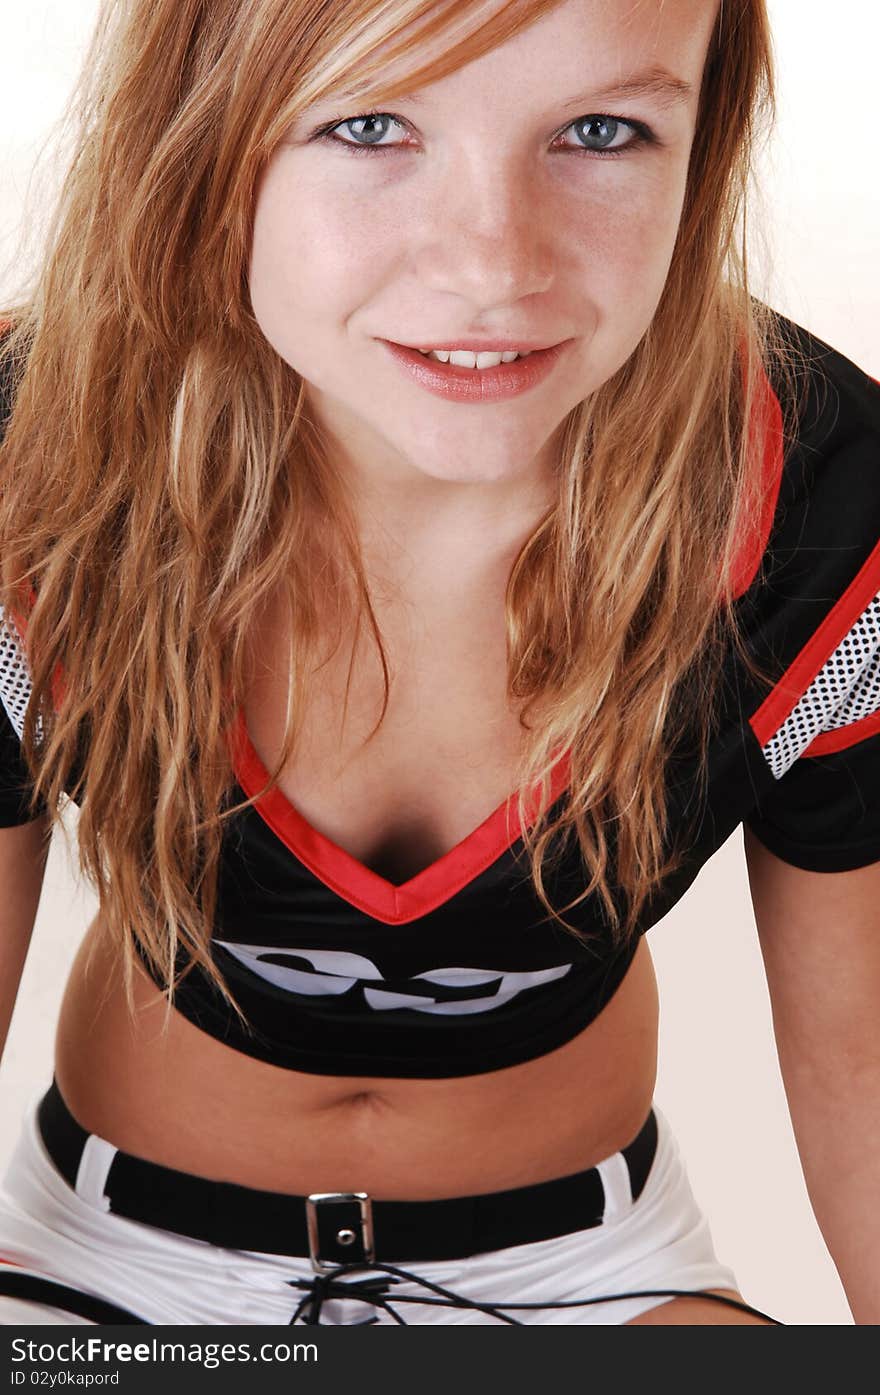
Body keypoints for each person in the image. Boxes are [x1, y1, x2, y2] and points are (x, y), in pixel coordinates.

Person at [0, 0, 877, 1328]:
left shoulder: (817, 506)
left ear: (703, 150)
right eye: (369, 123)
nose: (493, 263)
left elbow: (866, 1080)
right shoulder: (28, 470)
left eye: (601, 129)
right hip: (109, 1273)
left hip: (588, 1278)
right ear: (201, 136)